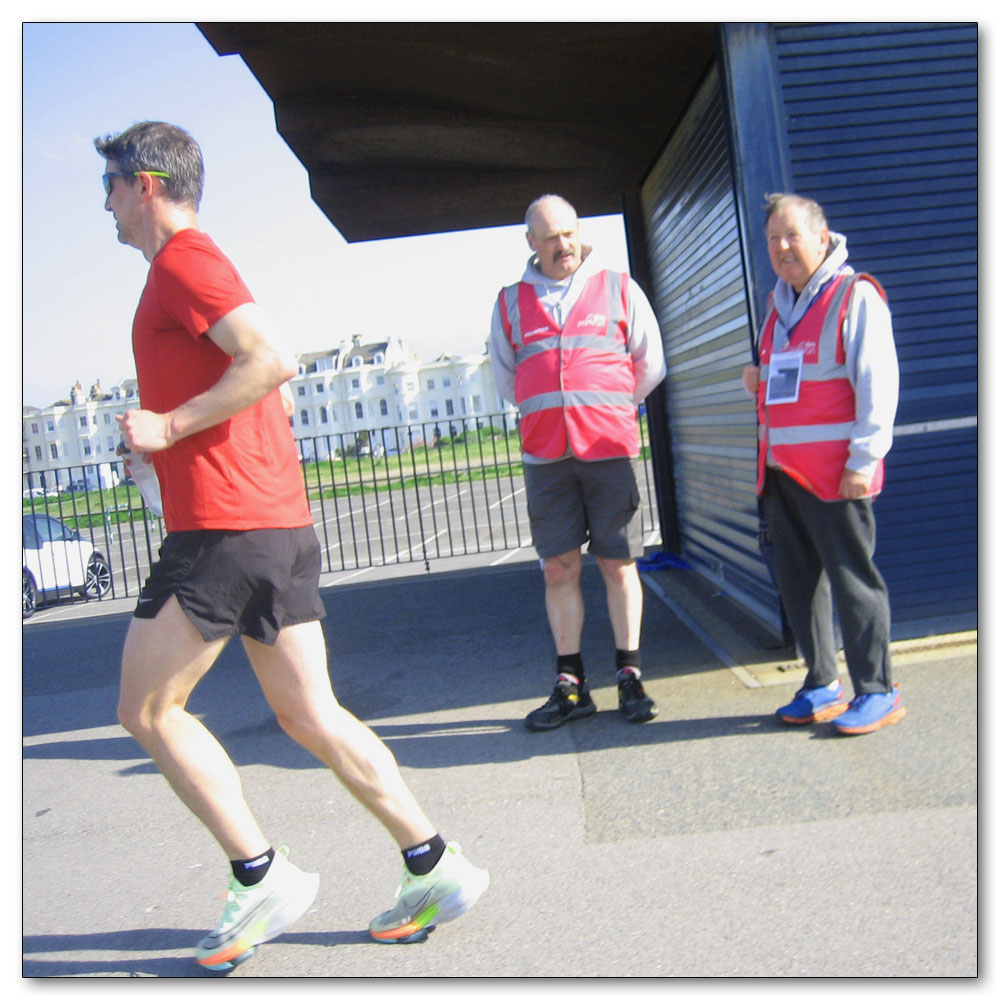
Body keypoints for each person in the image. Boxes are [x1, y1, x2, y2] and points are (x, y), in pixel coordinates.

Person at [96, 121, 487, 970]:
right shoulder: (187, 268)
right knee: (311, 713)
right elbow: (237, 374)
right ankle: (435, 864)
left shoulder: (184, 261)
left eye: (112, 188)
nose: (108, 208)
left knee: (145, 710)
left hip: (225, 529)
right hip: (273, 523)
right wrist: (162, 436)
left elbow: (270, 359)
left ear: (149, 183)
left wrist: (166, 424)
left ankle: (259, 875)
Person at [490, 194, 667, 731]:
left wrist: (606, 405)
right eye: (549, 237)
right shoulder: (509, 302)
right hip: (547, 456)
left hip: (608, 450)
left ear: (579, 233)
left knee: (618, 564)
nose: (562, 245)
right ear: (531, 244)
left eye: (568, 233)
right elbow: (505, 378)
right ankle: (571, 686)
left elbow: (650, 363)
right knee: (557, 568)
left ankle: (630, 677)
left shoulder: (618, 287)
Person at [742, 192, 906, 735]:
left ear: (821, 235)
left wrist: (865, 458)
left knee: (854, 582)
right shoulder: (776, 307)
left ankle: (878, 690)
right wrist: (758, 383)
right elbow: (796, 386)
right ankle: (821, 684)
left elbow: (878, 385)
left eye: (791, 235)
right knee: (798, 585)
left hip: (838, 475)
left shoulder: (854, 296)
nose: (782, 247)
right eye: (773, 239)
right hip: (782, 474)